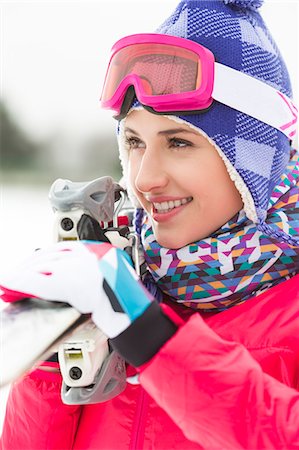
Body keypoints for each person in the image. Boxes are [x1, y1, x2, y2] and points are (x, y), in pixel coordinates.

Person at [1, 0, 299, 449]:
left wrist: (153, 341)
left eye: (179, 141)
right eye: (135, 141)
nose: (144, 179)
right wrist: (52, 356)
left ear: (256, 164)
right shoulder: (121, 287)